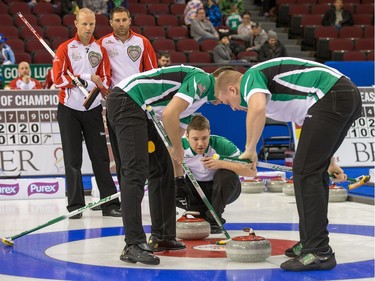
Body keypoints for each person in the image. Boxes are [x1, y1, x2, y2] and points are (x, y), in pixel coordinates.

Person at [214, 57, 362, 271]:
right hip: (343, 95)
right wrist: (330, 161)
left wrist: (249, 150)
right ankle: (311, 241)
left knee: (304, 172)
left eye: (227, 102)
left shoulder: (249, 79)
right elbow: (310, 123)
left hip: (333, 94)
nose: (233, 108)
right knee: (310, 170)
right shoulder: (279, 96)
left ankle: (318, 251)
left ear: (233, 89)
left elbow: (257, 110)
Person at [106, 65, 219, 265]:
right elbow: (169, 116)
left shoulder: (196, 102)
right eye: (237, 103)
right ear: (229, 88)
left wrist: (179, 175)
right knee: (135, 171)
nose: (235, 107)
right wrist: (177, 148)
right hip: (128, 100)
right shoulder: (203, 81)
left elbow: (174, 146)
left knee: (162, 168)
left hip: (143, 111)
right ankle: (132, 244)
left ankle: (162, 236)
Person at [53, 8, 121, 219]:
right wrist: (85, 77)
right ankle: (75, 206)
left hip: (92, 108)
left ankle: (110, 204)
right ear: (76, 23)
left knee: (100, 158)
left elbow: (106, 78)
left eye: (91, 24)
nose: (88, 28)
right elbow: (58, 79)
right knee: (73, 160)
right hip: (69, 110)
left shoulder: (99, 49)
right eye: (84, 24)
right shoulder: (65, 48)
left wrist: (97, 83)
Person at [97, 6, 157, 192]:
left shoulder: (142, 42)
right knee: (120, 151)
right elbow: (97, 72)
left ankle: (141, 190)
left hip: (138, 102)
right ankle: (127, 195)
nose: (121, 24)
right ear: (111, 23)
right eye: (117, 20)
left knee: (140, 151)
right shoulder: (102, 44)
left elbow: (152, 73)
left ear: (130, 20)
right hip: (115, 102)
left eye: (124, 20)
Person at [175, 114, 255, 233]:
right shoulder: (179, 146)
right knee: (168, 183)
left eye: (204, 138)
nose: (201, 144)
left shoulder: (222, 144)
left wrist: (221, 164)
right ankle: (198, 212)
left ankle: (214, 218)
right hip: (195, 188)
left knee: (226, 175)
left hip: (221, 189)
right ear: (186, 135)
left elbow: (251, 172)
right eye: (195, 139)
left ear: (209, 133)